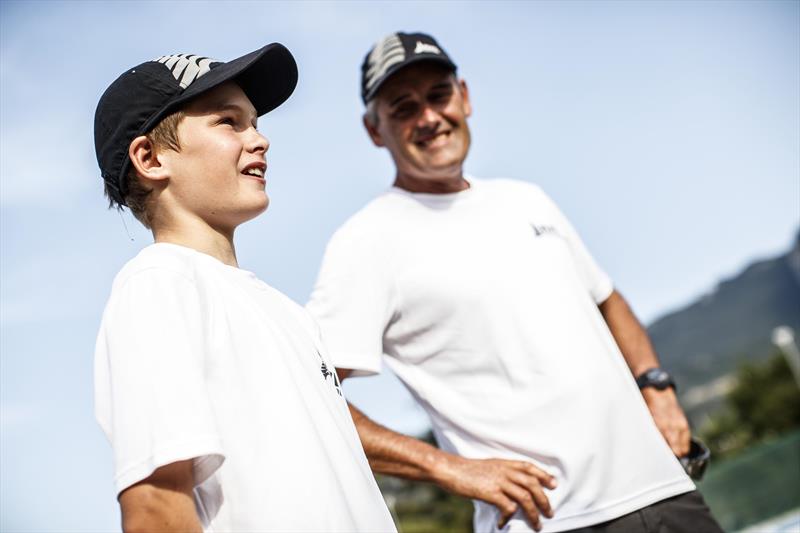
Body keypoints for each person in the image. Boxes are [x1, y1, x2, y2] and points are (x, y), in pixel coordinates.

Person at [307, 32, 723, 533]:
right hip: (550, 520)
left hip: (665, 490)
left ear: (464, 96)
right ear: (374, 130)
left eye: (438, 95)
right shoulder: (366, 241)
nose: (429, 118)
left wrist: (658, 388)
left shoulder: (527, 199)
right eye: (402, 107)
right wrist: (448, 468)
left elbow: (608, 299)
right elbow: (312, 392)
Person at [93, 44, 396, 532]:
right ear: (149, 158)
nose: (259, 139)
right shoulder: (160, 284)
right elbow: (156, 507)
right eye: (229, 122)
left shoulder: (291, 316)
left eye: (254, 122)